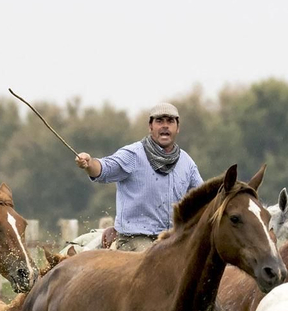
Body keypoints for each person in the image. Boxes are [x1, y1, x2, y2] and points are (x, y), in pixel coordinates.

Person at [74, 102, 204, 252]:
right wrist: (89, 164)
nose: (165, 126)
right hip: (134, 239)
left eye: (170, 121)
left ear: (177, 127)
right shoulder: (133, 155)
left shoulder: (186, 163)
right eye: (159, 121)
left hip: (173, 239)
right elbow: (104, 168)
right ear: (150, 127)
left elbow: (204, 198)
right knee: (156, 266)